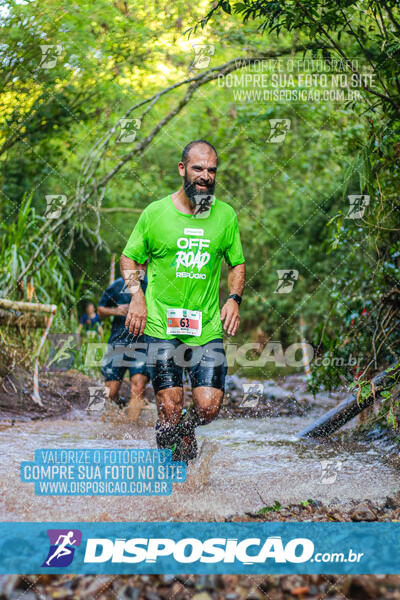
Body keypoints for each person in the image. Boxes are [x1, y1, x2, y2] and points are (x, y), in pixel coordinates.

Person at [120, 140, 245, 461]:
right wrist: (136, 296)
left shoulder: (225, 216)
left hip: (205, 328)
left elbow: (237, 264)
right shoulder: (156, 213)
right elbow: (129, 258)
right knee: (170, 407)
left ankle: (187, 431)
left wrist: (233, 298)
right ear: (182, 169)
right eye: (198, 169)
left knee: (208, 407)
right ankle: (173, 479)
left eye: (212, 170)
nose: (205, 176)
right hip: (162, 326)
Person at [97, 273, 150, 421]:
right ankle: (120, 408)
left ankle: (131, 431)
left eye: (144, 264)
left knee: (139, 386)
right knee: (110, 392)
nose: (140, 268)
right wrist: (116, 311)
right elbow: (100, 311)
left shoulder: (152, 284)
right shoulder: (117, 285)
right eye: (137, 263)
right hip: (118, 343)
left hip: (143, 344)